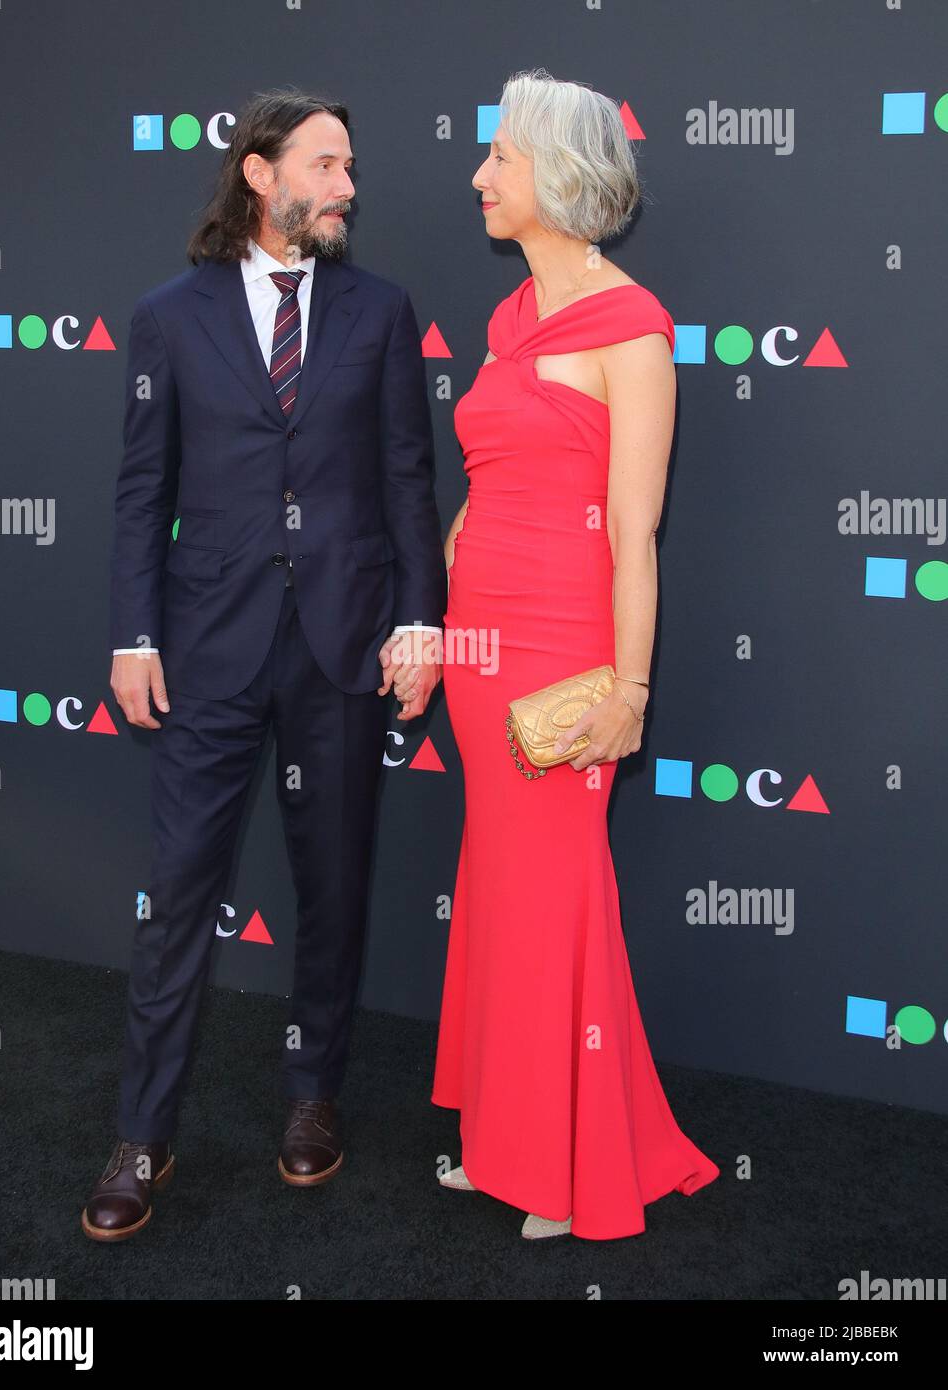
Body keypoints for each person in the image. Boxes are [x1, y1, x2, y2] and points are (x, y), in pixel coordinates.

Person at [83, 88, 446, 1241]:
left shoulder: (380, 312)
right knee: (180, 894)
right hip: (206, 646)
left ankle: (311, 1096)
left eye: (349, 167)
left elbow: (408, 484)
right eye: (329, 164)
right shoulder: (169, 317)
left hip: (343, 643)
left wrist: (420, 623)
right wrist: (133, 633)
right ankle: (143, 1135)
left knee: (332, 886)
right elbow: (144, 488)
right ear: (259, 172)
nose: (348, 187)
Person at [423, 68, 719, 1240]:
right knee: (503, 889)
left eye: (500, 155)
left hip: (566, 655)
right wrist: (437, 632)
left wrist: (629, 691)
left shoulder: (633, 327)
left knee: (554, 894)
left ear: (560, 172)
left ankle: (569, 1163)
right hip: (479, 643)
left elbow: (635, 535)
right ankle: (505, 1136)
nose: (480, 173)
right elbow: (474, 498)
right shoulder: (507, 322)